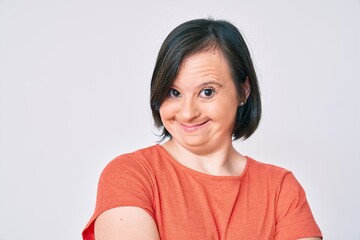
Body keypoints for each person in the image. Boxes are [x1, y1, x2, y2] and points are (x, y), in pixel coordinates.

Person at [82, 18, 322, 240]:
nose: (187, 112)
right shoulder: (130, 175)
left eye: (207, 92)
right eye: (173, 93)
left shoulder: (280, 188)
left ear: (244, 91)